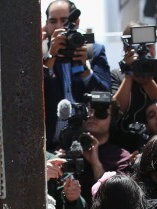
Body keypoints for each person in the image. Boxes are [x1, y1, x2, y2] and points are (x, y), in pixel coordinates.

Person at [43, 0, 111, 151]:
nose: (59, 26)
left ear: (76, 22)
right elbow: (34, 92)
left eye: (64, 21)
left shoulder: (93, 50)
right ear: (46, 24)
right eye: (53, 21)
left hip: (88, 145)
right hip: (48, 146)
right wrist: (51, 56)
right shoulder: (40, 52)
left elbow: (106, 96)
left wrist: (85, 69)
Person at [111, 22, 157, 151]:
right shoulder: (117, 75)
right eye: (138, 47)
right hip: (125, 147)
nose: (146, 51)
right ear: (126, 49)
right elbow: (115, 110)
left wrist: (148, 82)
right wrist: (129, 74)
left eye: (149, 45)